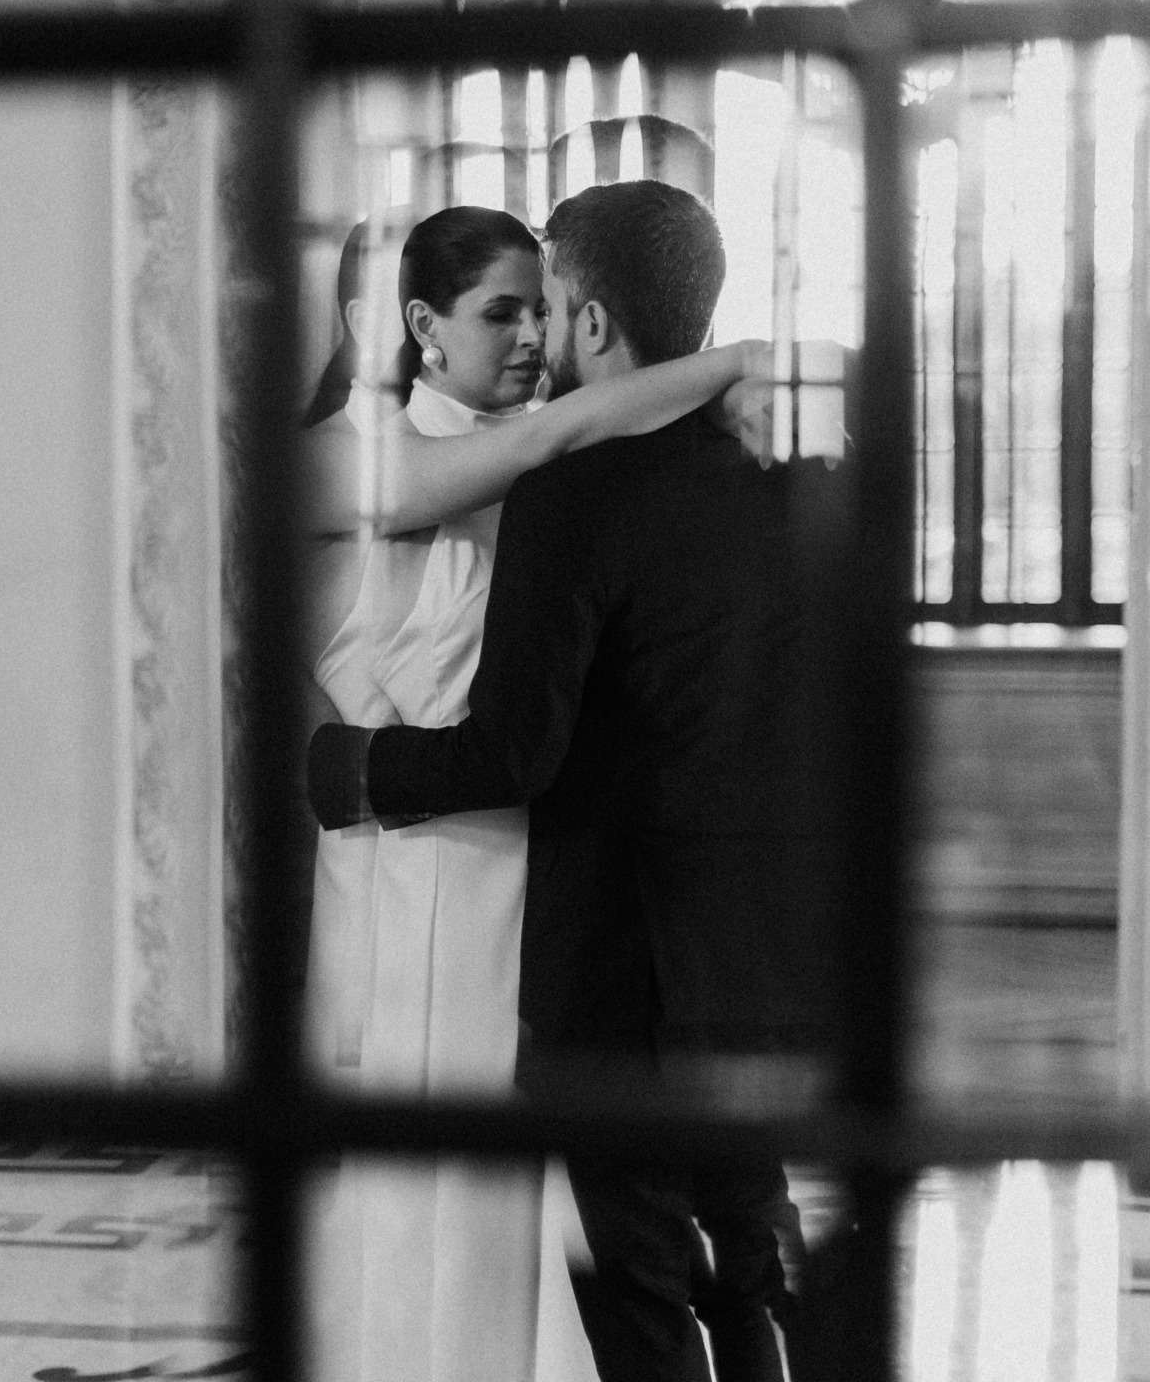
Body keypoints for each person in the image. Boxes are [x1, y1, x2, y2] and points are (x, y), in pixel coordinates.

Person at [308, 181, 838, 1382]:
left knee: (636, 1251)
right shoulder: (769, 464)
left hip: (571, 899)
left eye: (540, 306)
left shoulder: (576, 477)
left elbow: (523, 741)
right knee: (720, 1242)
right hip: (645, 914)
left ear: (588, 319)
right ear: (412, 323)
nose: (532, 335)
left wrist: (358, 765)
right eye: (503, 312)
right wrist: (736, 361)